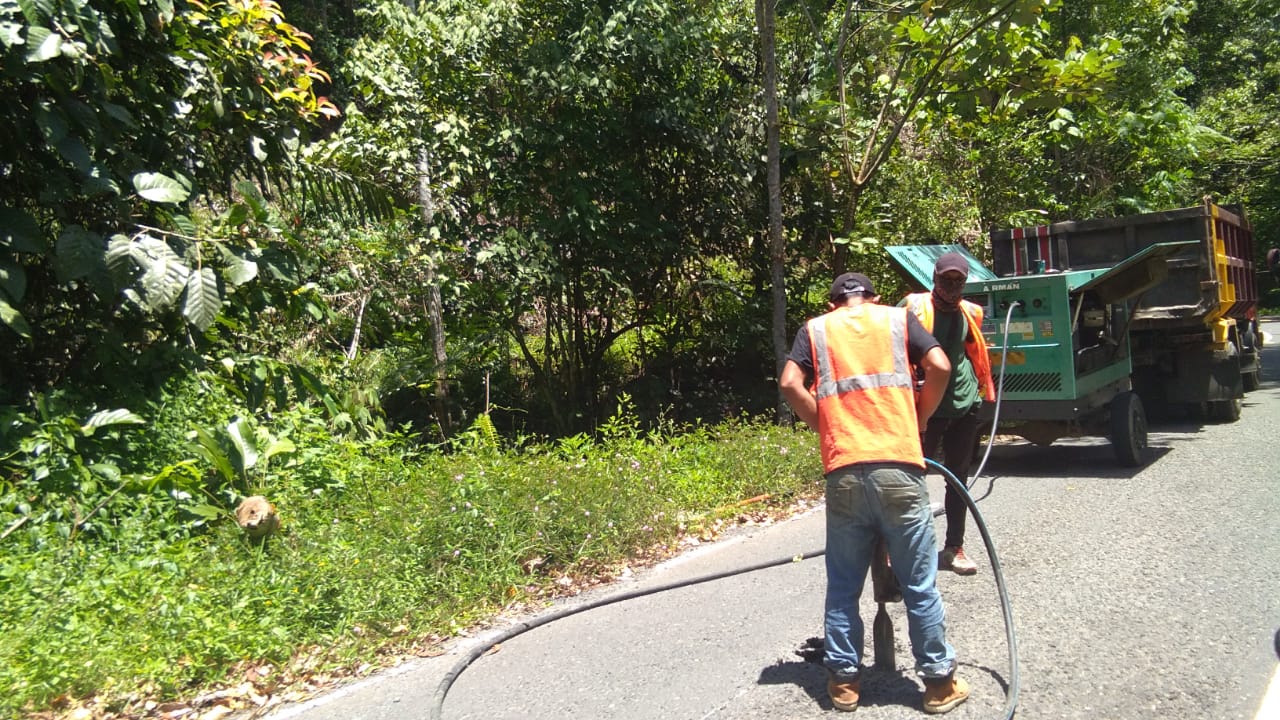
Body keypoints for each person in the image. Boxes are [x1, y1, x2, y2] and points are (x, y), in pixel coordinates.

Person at [780, 271, 969, 715]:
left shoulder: (816, 330)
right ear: (873, 297)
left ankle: (844, 684)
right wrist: (919, 418)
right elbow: (940, 366)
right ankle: (939, 685)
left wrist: (825, 427)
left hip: (844, 468)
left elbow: (790, 383)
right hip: (899, 465)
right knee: (919, 583)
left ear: (833, 304)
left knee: (844, 583)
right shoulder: (899, 320)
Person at [900, 251, 994, 576]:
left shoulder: (969, 313)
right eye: (945, 279)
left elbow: (971, 351)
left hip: (964, 404)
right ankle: (910, 552)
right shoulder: (913, 308)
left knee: (958, 479)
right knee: (912, 479)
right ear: (934, 278)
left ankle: (954, 548)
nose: (952, 286)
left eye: (958, 281)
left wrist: (980, 393)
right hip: (926, 408)